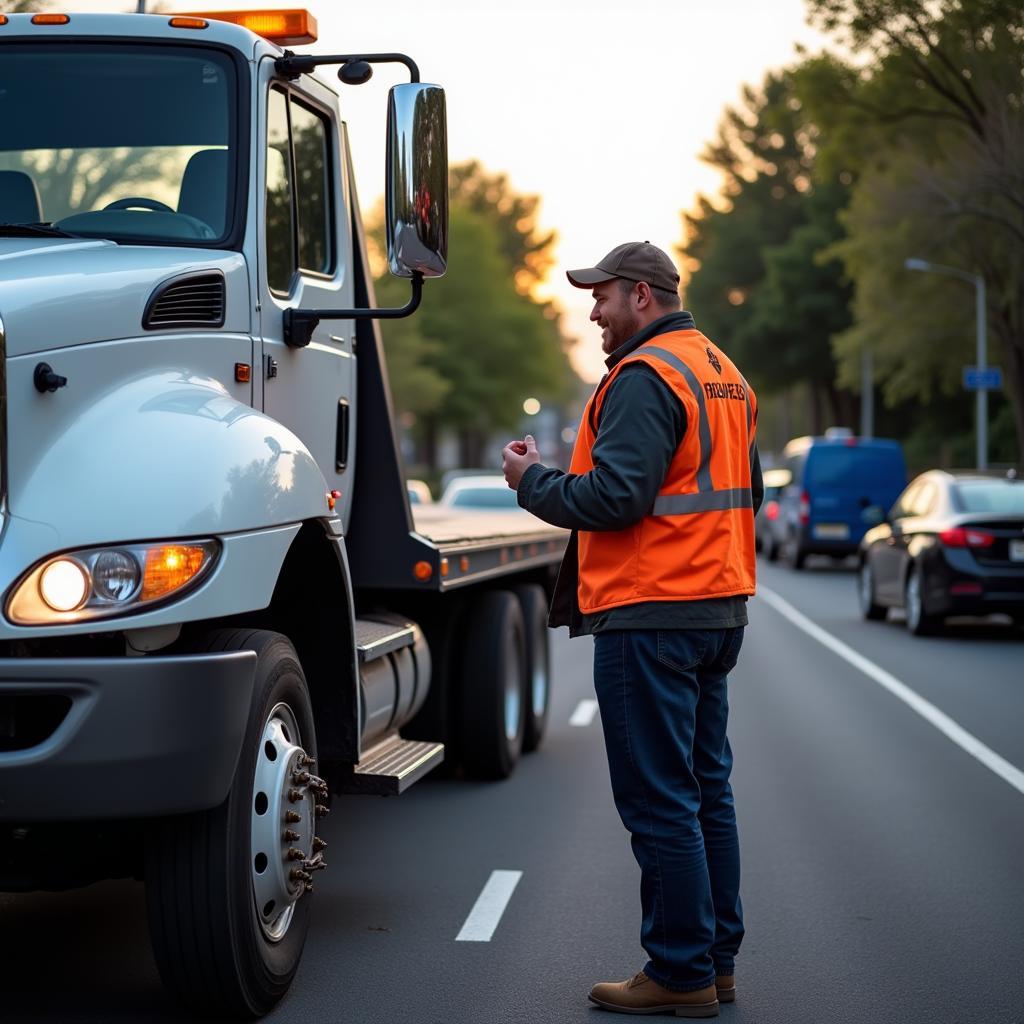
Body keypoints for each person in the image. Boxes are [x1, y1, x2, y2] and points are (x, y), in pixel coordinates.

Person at [502, 241, 762, 1018]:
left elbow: (617, 498)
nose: (594, 311)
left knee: (661, 802)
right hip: (716, 607)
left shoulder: (646, 377)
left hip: (651, 613)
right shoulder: (721, 371)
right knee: (706, 794)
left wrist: (531, 482)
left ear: (643, 295)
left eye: (603, 296)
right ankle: (715, 965)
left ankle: (678, 973)